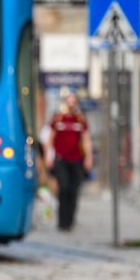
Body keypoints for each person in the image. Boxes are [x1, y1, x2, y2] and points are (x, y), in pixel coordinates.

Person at [44, 93, 93, 231]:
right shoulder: (58, 119)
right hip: (61, 159)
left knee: (73, 190)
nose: (71, 104)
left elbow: (86, 139)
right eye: (69, 101)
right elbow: (50, 139)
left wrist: (89, 158)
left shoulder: (80, 120)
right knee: (63, 188)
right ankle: (62, 221)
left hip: (76, 160)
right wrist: (49, 157)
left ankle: (70, 221)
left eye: (74, 101)